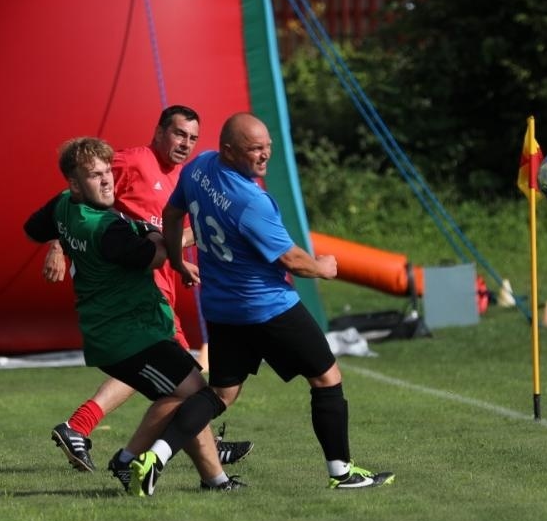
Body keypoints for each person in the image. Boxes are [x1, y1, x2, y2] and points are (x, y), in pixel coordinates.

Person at [124, 112, 394, 495]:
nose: (265, 156)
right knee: (327, 377)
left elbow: (172, 213)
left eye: (268, 147)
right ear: (229, 150)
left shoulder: (199, 168)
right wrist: (324, 267)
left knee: (220, 394)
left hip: (222, 309)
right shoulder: (251, 201)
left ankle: (155, 457)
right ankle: (342, 472)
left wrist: (175, 258)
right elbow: (289, 260)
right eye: (255, 150)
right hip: (268, 308)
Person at [23, 136, 244, 493]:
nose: (108, 179)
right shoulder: (104, 228)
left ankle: (208, 478)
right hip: (130, 335)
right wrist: (178, 236)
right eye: (95, 175)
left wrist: (61, 242)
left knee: (183, 395)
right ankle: (139, 462)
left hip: (125, 331)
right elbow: (154, 256)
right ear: (76, 183)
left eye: (108, 171)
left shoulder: (65, 205)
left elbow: (33, 229)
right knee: (196, 396)